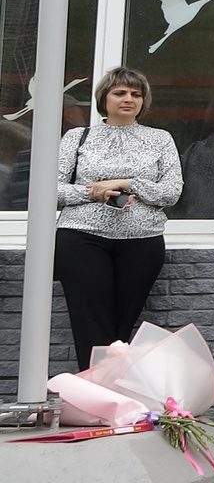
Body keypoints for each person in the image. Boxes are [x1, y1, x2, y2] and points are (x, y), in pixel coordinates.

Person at [55, 67, 182, 372]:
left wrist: (127, 183)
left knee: (123, 326)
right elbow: (51, 190)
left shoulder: (160, 139)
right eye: (120, 93)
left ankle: (115, 392)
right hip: (82, 237)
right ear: (104, 98)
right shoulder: (77, 136)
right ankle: (95, 395)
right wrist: (94, 193)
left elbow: (171, 192)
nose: (129, 99)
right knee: (90, 323)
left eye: (136, 94)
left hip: (142, 241)